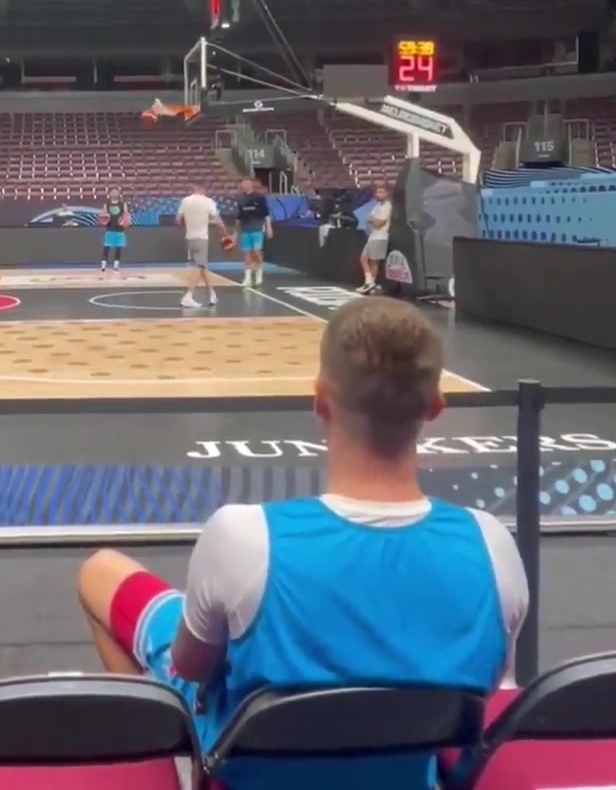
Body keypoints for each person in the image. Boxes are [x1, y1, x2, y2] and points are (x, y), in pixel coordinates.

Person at [76, 297, 528, 790]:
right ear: (436, 406)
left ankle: (168, 765)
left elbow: (190, 667)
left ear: (320, 399)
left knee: (100, 571)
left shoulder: (242, 537)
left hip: (246, 768)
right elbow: (485, 686)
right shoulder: (492, 546)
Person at [177, 184, 227, 309]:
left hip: (190, 237)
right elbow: (218, 221)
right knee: (199, 266)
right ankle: (188, 296)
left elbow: (178, 219)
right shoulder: (208, 201)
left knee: (203, 266)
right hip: (201, 238)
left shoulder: (185, 201)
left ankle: (212, 294)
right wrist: (225, 234)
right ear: (203, 190)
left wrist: (189, 225)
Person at [233, 176, 273, 289]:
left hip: (257, 228)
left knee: (256, 250)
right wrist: (235, 232)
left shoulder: (259, 197)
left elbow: (266, 214)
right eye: (243, 183)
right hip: (245, 228)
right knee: (246, 253)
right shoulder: (240, 198)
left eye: (246, 183)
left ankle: (259, 272)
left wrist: (269, 227)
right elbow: (239, 216)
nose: (244, 185)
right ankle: (248, 278)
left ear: (251, 184)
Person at [358, 182, 392, 294]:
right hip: (373, 236)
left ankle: (370, 283)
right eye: (377, 192)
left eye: (381, 192)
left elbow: (378, 224)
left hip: (381, 237)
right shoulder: (377, 206)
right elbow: (368, 219)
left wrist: (373, 219)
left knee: (374, 262)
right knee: (363, 258)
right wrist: (373, 219)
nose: (378, 194)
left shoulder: (387, 207)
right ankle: (369, 282)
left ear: (387, 193)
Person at [100, 188, 130, 276]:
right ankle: (103, 266)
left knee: (118, 248)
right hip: (110, 228)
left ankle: (116, 266)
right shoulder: (106, 204)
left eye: (116, 192)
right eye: (112, 192)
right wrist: (104, 219)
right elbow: (103, 215)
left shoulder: (122, 204)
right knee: (106, 248)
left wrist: (125, 222)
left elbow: (126, 215)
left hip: (120, 229)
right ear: (109, 194)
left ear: (119, 194)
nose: (114, 194)